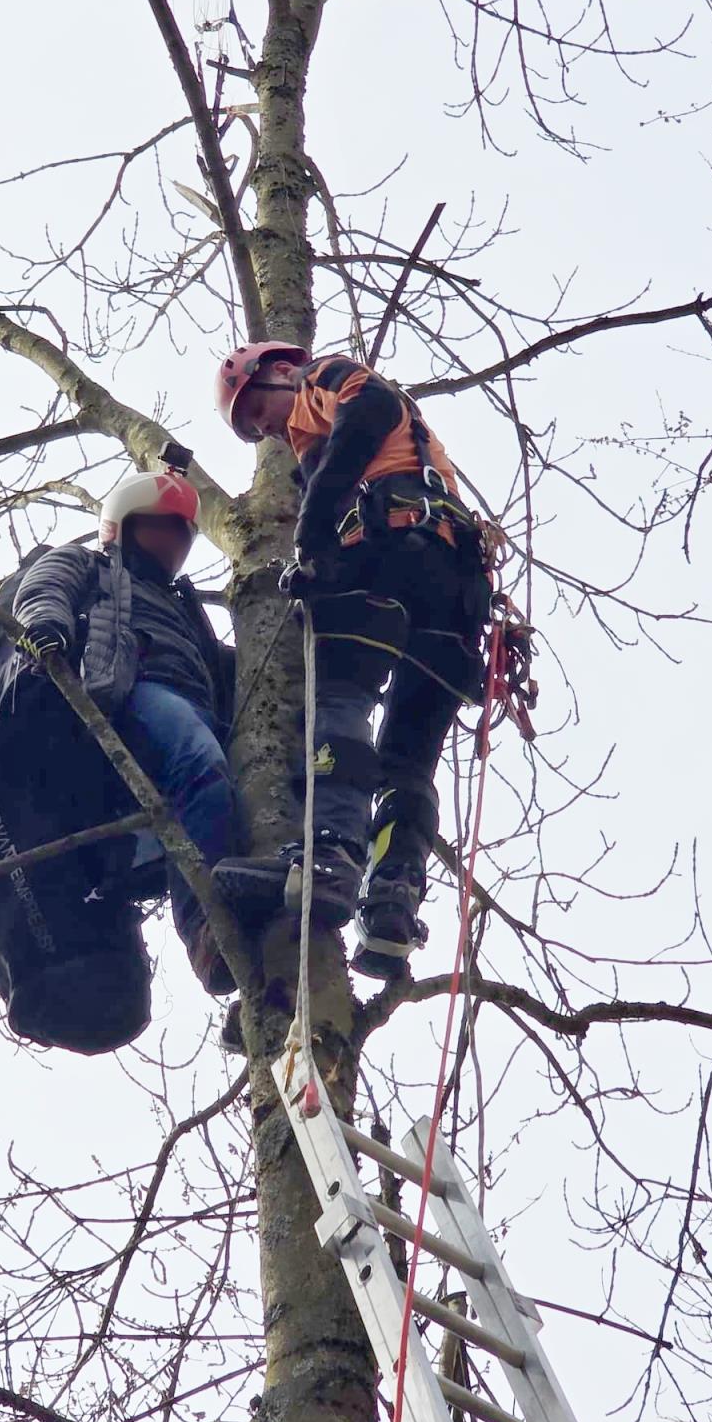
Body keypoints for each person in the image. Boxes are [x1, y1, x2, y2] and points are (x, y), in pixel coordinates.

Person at [209, 343, 491, 981]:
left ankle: (330, 858)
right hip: (452, 591)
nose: (268, 430)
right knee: (408, 758)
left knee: (339, 701)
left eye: (259, 410)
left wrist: (312, 538)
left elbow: (367, 416)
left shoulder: (327, 380)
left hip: (389, 554)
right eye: (254, 431)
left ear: (280, 371)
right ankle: (393, 897)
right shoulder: (333, 451)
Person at [0, 455, 238, 1053]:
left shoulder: (186, 611)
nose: (172, 542)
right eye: (158, 526)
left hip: (172, 729)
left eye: (181, 534)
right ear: (122, 528)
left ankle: (240, 900)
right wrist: (47, 632)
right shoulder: (90, 565)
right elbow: (45, 589)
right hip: (123, 690)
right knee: (196, 758)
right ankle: (206, 926)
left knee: (215, 782)